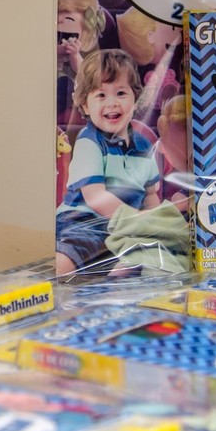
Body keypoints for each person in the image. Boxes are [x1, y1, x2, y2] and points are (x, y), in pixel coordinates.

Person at [55, 49, 161, 275]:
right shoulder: (89, 141)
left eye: (121, 93)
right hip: (82, 221)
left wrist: (154, 222)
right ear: (85, 105)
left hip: (123, 227)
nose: (112, 103)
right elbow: (95, 198)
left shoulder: (144, 146)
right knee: (69, 253)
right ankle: (55, 278)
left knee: (149, 253)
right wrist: (134, 219)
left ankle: (116, 281)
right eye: (101, 95)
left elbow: (150, 195)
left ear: (135, 99)